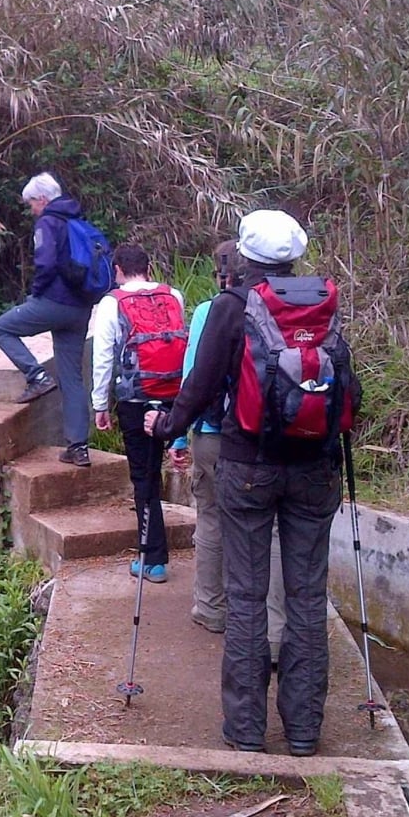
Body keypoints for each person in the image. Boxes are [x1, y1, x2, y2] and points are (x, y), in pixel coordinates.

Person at [145, 210, 341, 757]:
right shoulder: (323, 302)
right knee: (307, 598)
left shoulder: (233, 306)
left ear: (245, 257)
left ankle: (247, 731)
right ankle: (303, 732)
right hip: (315, 468)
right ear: (295, 256)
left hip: (248, 466)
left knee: (248, 597)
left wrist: (166, 426)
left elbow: (201, 385)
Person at [174, 241, 286, 658]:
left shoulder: (212, 310)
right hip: (277, 437)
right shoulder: (293, 306)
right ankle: (275, 633)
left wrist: (177, 436)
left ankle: (212, 608)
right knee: (273, 529)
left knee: (212, 516)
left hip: (216, 433)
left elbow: (193, 378)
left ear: (222, 273)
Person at [89, 243, 186, 582]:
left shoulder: (111, 302)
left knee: (144, 477)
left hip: (135, 399)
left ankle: (153, 560)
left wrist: (100, 404)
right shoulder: (172, 295)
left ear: (117, 269)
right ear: (149, 267)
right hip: (174, 396)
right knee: (163, 464)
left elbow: (103, 356)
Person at [0, 173, 95, 466]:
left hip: (54, 302)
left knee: (0, 328)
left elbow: (45, 264)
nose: (32, 210)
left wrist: (36, 294)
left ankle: (36, 376)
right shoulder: (78, 219)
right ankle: (78, 447)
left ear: (43, 199)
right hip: (81, 309)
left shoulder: (48, 222)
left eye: (32, 204)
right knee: (72, 378)